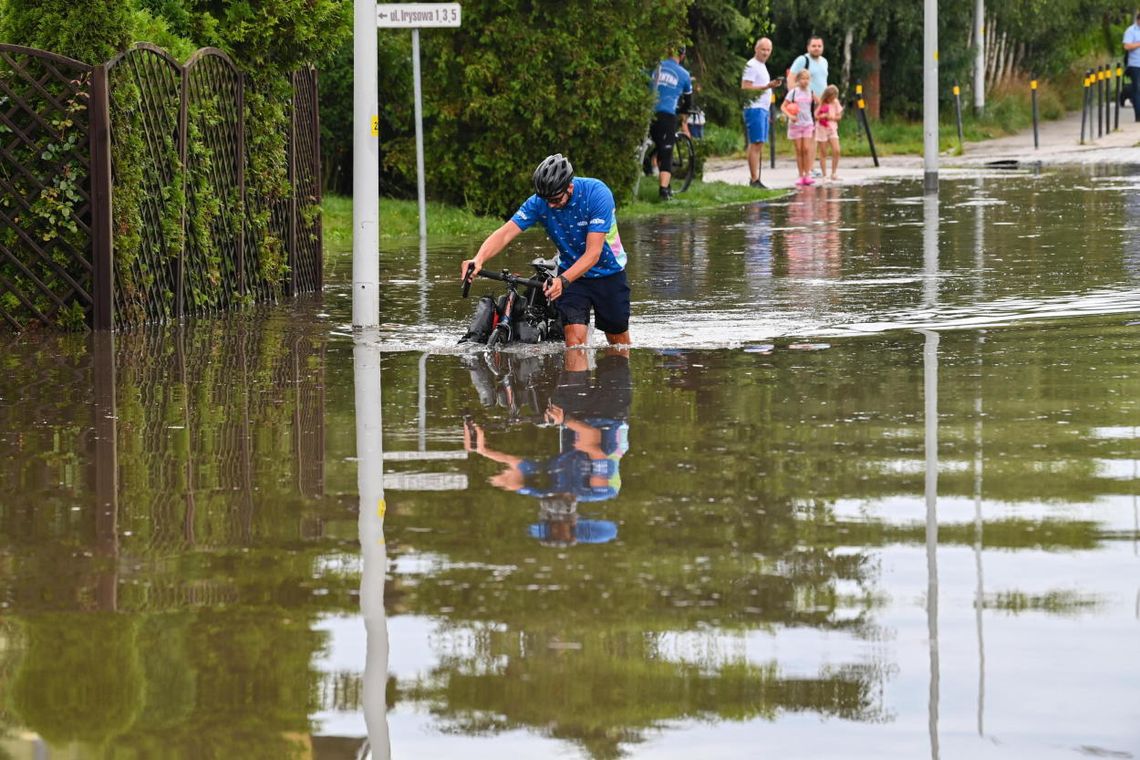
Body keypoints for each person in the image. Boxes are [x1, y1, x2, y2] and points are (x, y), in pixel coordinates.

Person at [462, 348, 632, 547]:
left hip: (573, 414)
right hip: (610, 414)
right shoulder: (599, 491)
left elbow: (515, 464)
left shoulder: (544, 488)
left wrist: (482, 449)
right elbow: (591, 437)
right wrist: (564, 419)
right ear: (573, 520)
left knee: (574, 352)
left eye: (552, 521)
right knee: (616, 356)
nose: (555, 513)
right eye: (561, 524)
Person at [461, 154, 631, 347]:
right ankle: (576, 378)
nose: (550, 205)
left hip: (608, 273)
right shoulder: (539, 202)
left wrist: (561, 280)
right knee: (574, 342)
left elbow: (593, 254)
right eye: (546, 199)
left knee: (618, 345)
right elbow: (506, 233)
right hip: (571, 276)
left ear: (570, 187)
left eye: (556, 199)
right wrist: (479, 258)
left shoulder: (597, 194)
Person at [650, 47, 693, 200]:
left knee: (654, 145)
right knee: (666, 152)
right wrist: (682, 114)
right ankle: (664, 191)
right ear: (682, 56)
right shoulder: (684, 74)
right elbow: (688, 102)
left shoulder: (655, 67)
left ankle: (651, 169)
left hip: (647, 113)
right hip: (667, 114)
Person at [741, 37, 782, 189]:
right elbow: (745, 87)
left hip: (763, 109)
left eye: (768, 50)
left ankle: (756, 178)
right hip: (754, 107)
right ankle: (753, 179)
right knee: (755, 142)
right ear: (756, 49)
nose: (765, 53)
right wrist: (766, 86)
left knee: (759, 143)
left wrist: (770, 86)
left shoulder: (762, 66)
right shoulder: (751, 65)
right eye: (763, 49)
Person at [782, 69, 817, 186]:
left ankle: (807, 175)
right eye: (802, 78)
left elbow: (820, 103)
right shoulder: (793, 93)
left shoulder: (811, 92)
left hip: (808, 124)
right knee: (799, 150)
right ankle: (800, 175)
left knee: (806, 149)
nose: (805, 81)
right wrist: (790, 116)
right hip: (795, 125)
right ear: (798, 80)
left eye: (807, 79)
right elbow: (783, 107)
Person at [814, 84, 844, 181]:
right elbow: (816, 115)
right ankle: (824, 175)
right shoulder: (822, 103)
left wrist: (832, 117)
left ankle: (834, 173)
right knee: (823, 152)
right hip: (822, 128)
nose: (833, 99)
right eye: (831, 97)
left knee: (837, 150)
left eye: (834, 97)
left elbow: (839, 116)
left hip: (832, 128)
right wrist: (822, 116)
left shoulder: (835, 103)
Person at [1124, 11, 1140, 122]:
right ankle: (1138, 115)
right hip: (1135, 64)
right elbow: (1127, 46)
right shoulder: (1131, 30)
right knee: (1137, 89)